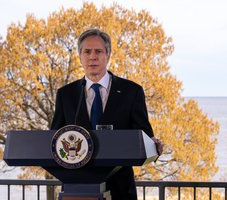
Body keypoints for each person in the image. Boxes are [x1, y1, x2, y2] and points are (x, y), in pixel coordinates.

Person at [51, 28, 163, 200]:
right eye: (87, 51)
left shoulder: (131, 91)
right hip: (77, 190)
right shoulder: (66, 94)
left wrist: (153, 143)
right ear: (80, 56)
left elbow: (144, 135)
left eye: (98, 51)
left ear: (108, 55)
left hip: (120, 189)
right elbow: (55, 139)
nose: (92, 56)